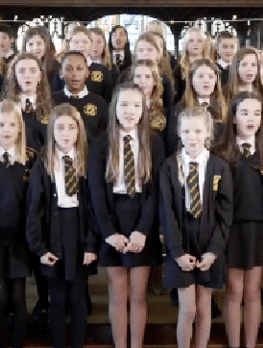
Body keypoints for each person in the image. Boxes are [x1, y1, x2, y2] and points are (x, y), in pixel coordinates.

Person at [88, 82, 165, 348]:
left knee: (139, 294)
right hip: (112, 218)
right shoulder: (101, 143)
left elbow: (156, 191)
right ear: (114, 108)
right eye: (124, 104)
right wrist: (108, 232)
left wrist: (143, 230)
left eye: (135, 105)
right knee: (118, 294)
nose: (129, 111)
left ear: (144, 108)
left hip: (142, 219)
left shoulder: (154, 142)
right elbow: (96, 190)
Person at [159, 106, 233, 348]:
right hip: (180, 245)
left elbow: (225, 213)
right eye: (187, 131)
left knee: (203, 308)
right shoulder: (169, 167)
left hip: (209, 244)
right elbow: (167, 210)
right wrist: (177, 251)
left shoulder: (219, 167)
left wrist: (214, 250)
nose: (192, 136)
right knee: (188, 310)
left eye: (198, 131)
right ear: (179, 133)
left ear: (207, 133)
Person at [26, 104, 98, 348]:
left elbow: (93, 209)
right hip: (52, 233)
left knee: (78, 297)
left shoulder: (87, 162)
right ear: (51, 131)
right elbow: (34, 208)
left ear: (79, 130)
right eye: (60, 128)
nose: (65, 133)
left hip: (78, 232)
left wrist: (90, 244)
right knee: (56, 298)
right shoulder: (43, 163)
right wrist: (39, 247)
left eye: (71, 128)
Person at [217, 92, 263, 348]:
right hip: (230, 228)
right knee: (234, 291)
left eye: (257, 113)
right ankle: (234, 343)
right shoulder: (220, 152)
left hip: (258, 228)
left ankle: (250, 343)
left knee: (252, 292)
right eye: (245, 113)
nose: (251, 119)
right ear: (234, 117)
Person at [0, 101, 35, 348]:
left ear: (20, 128)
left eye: (12, 124)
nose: (7, 130)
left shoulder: (31, 160)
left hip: (21, 240)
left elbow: (35, 203)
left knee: (19, 297)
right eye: (1, 125)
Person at [52, 51, 108, 144]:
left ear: (87, 73)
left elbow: (102, 139)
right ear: (61, 73)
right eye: (69, 69)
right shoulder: (51, 101)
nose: (74, 73)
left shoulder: (100, 103)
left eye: (79, 69)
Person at [1, 53, 51, 152]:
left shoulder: (52, 106)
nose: (27, 75)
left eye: (32, 71)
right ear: (14, 76)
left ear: (40, 76)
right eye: (21, 71)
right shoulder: (4, 108)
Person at [173, 28, 210, 103]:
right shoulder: (179, 69)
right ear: (186, 45)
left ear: (204, 44)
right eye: (191, 41)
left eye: (199, 41)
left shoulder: (211, 67)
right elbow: (177, 95)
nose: (195, 44)